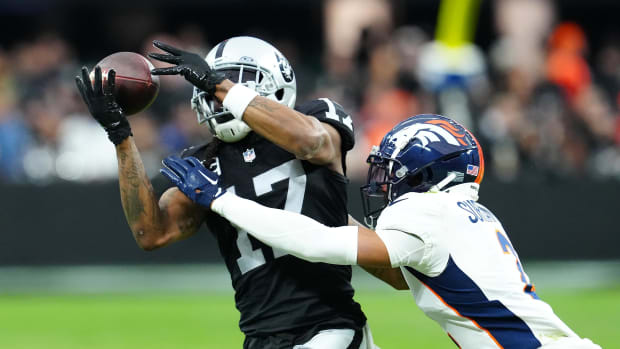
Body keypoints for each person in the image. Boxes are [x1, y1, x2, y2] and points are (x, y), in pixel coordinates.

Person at [160, 114, 601, 349]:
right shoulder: (464, 212)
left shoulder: (425, 212)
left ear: (427, 171)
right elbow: (391, 271)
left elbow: (317, 244)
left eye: (395, 170)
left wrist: (222, 200)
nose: (386, 182)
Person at [76, 36, 376, 348]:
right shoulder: (203, 162)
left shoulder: (317, 117)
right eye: (209, 86)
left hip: (328, 329)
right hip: (260, 336)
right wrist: (120, 135)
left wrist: (217, 82)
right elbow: (152, 233)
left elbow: (310, 141)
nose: (217, 96)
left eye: (235, 83)